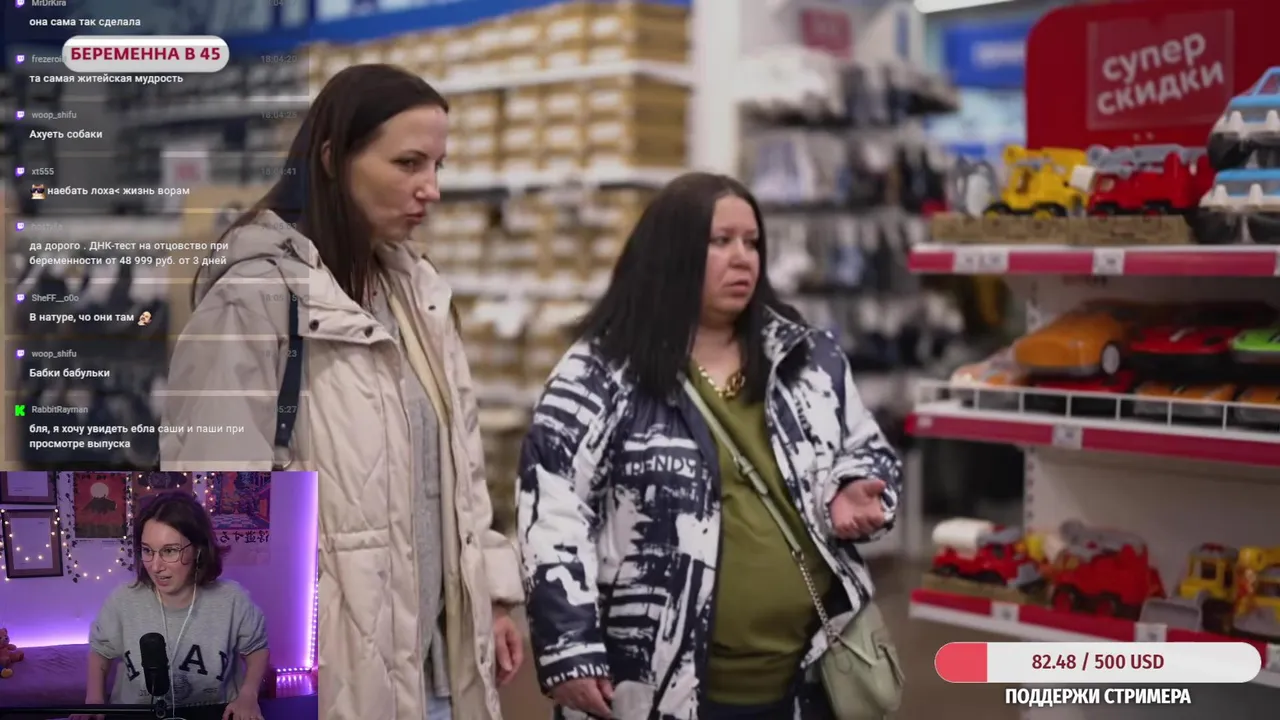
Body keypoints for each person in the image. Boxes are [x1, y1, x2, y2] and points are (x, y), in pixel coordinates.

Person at [159, 64, 524, 720]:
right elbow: (209, 505)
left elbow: (458, 473)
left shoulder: (417, 294)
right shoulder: (256, 298)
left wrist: (489, 595)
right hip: (335, 679)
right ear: (332, 159)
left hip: (440, 674)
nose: (431, 188)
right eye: (408, 163)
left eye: (437, 165)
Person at [516, 172, 903, 720]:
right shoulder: (600, 371)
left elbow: (870, 448)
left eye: (752, 242)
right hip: (662, 689)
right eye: (720, 241)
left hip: (809, 680)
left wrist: (854, 486)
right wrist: (569, 645)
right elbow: (551, 510)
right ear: (670, 252)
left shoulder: (807, 358)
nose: (742, 258)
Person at [77, 491, 268, 720]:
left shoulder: (233, 600)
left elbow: (257, 649)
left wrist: (248, 694)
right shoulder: (122, 601)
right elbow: (100, 651)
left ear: (198, 550)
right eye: (147, 550)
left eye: (169, 551)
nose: (155, 566)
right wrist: (94, 699)